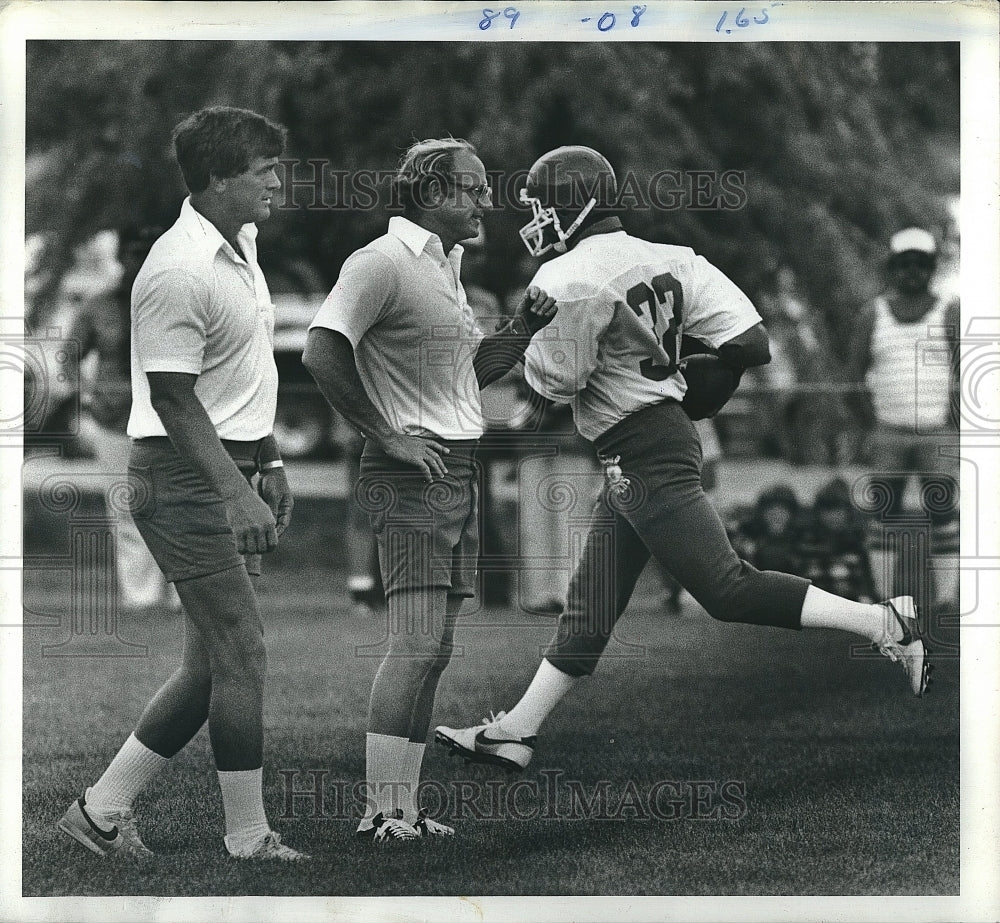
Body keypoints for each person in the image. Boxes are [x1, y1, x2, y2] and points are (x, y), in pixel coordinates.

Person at [435, 146, 932, 774]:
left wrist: (523, 335)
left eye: (542, 204)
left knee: (725, 588)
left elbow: (555, 388)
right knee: (591, 606)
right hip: (655, 437)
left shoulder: (567, 279)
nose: (535, 219)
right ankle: (518, 729)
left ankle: (884, 623)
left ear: (572, 203)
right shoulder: (673, 259)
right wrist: (695, 375)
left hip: (639, 447)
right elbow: (752, 343)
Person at [58, 107, 306, 861]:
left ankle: (101, 811)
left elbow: (238, 374)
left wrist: (268, 459)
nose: (277, 178)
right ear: (218, 176)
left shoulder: (242, 242)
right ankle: (249, 837)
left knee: (211, 667)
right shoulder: (177, 267)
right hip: (183, 472)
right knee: (244, 649)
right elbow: (172, 396)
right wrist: (235, 489)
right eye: (264, 166)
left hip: (224, 464)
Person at [302, 137, 557, 842]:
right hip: (411, 472)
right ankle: (382, 811)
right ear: (430, 192)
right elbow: (321, 348)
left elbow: (464, 377)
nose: (485, 201)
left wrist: (523, 331)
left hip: (454, 466)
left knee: (435, 647)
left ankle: (403, 808)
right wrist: (384, 435)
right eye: (473, 188)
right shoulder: (380, 262)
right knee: (414, 644)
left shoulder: (446, 265)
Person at [848, 227, 961, 610]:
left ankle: (946, 600)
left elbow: (967, 374)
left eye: (920, 264)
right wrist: (870, 428)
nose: (912, 272)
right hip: (888, 430)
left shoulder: (950, 310)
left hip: (937, 432)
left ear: (930, 268)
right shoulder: (873, 313)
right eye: (904, 264)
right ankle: (884, 598)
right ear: (893, 269)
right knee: (883, 508)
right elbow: (852, 379)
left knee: (943, 507)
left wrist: (953, 426)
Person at [75, 225, 180, 612]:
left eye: (148, 251)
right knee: (128, 509)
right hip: (114, 421)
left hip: (168, 419)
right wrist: (88, 399)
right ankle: (139, 597)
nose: (140, 260)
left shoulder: (174, 301)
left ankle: (180, 595)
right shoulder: (98, 306)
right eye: (134, 252)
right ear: (121, 257)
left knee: (173, 508)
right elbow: (70, 357)